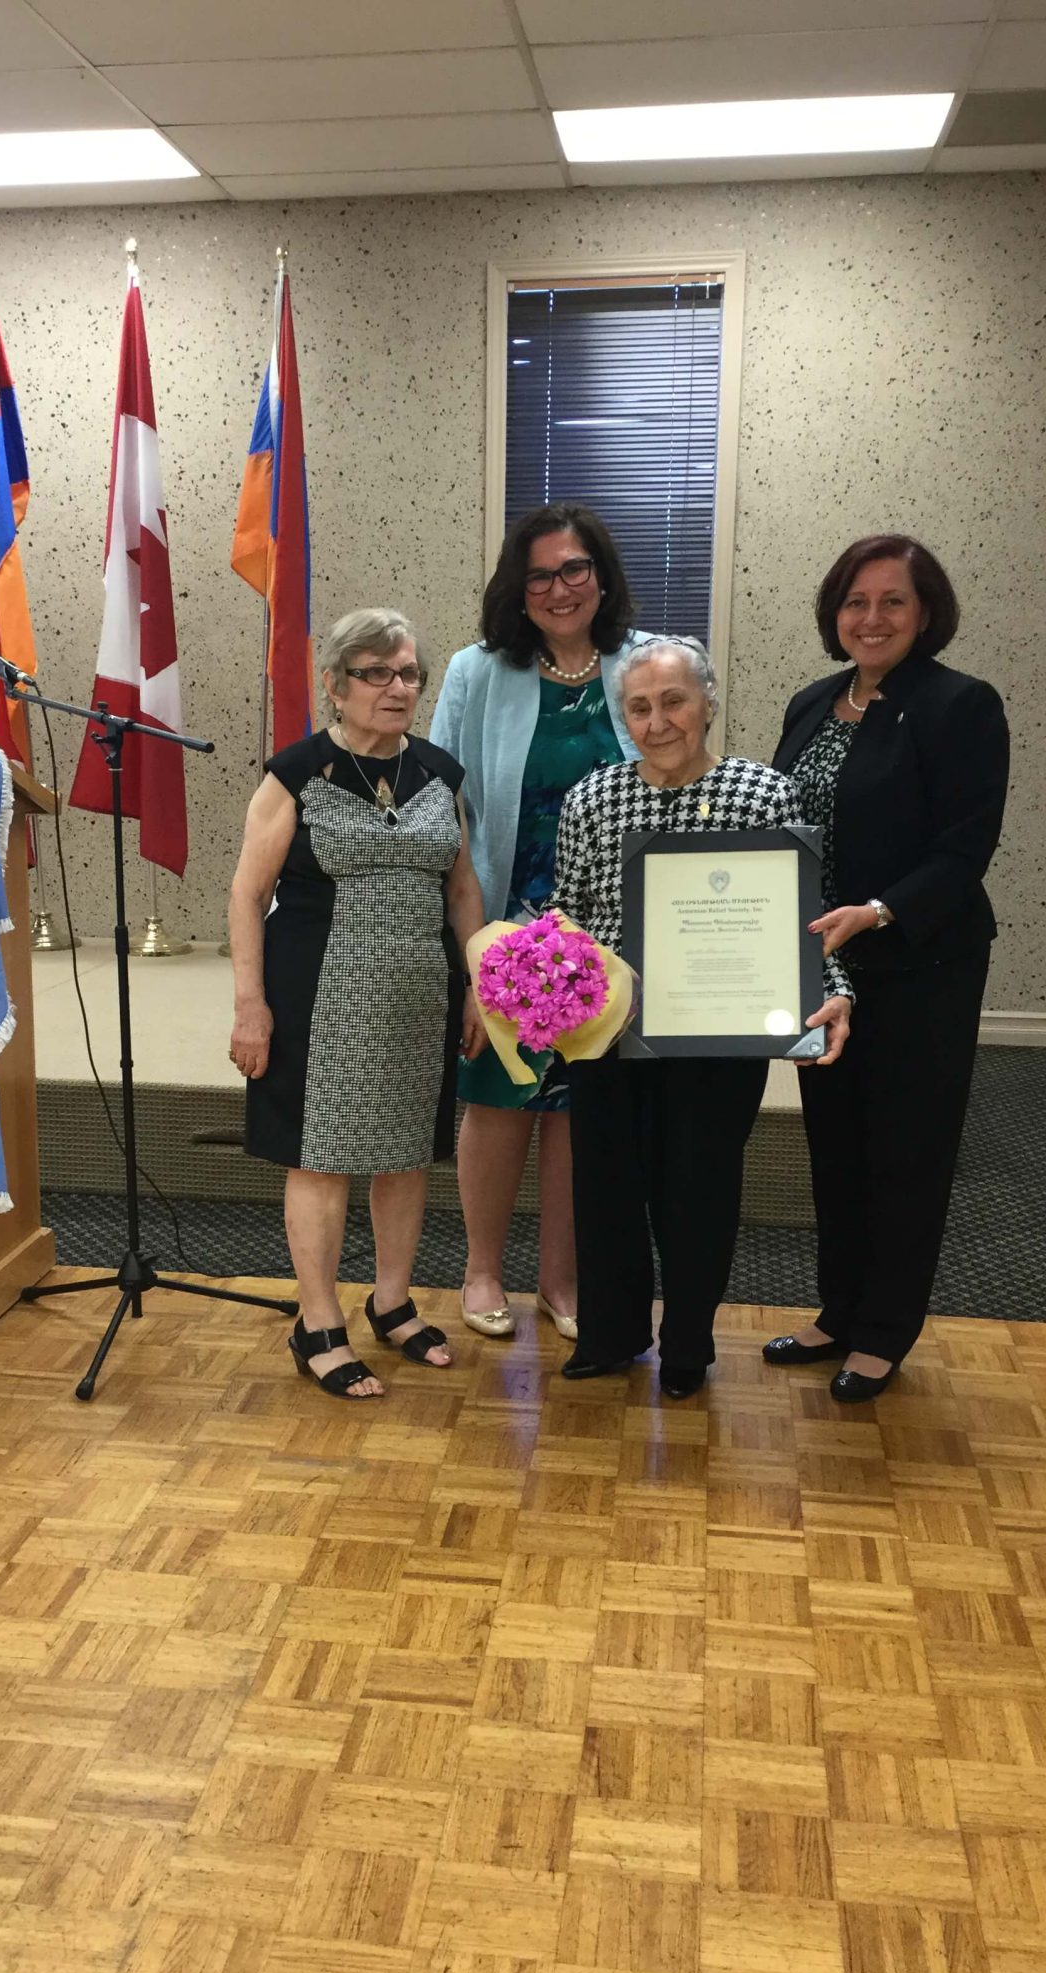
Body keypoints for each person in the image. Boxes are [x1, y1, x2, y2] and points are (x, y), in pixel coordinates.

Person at [552, 638, 852, 1398]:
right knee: (607, 1191)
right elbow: (568, 910)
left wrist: (834, 989)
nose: (657, 722)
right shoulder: (591, 799)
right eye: (639, 708)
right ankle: (611, 1335)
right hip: (606, 1032)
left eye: (674, 702)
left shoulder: (763, 793)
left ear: (708, 702)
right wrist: (534, 976)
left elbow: (806, 915)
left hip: (719, 1034)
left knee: (700, 1191)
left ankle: (687, 1342)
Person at [765, 536, 1010, 1402]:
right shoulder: (811, 702)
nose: (871, 618)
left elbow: (965, 846)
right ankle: (838, 1311)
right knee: (834, 1143)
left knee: (906, 1150)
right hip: (823, 964)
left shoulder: (960, 705)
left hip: (918, 961)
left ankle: (882, 1333)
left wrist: (878, 911)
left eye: (892, 601)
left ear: (925, 612)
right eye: (855, 602)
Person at [229, 608, 487, 1400]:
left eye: (408, 673)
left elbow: (462, 890)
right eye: (376, 673)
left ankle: (392, 1302)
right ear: (336, 686)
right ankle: (317, 1324)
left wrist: (477, 987)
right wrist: (250, 1004)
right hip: (317, 992)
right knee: (322, 1156)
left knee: (406, 1152)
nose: (397, 687)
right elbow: (247, 893)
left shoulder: (440, 773)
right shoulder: (297, 772)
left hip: (419, 993)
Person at [429, 503, 654, 1343]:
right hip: (507, 929)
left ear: (601, 576)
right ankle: (482, 1269)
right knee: (497, 1102)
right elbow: (447, 809)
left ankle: (563, 1279)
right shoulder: (476, 671)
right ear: (516, 589)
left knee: (577, 1112)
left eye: (574, 569)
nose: (559, 589)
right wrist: (470, 954)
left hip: (612, 934)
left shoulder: (647, 663)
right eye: (539, 576)